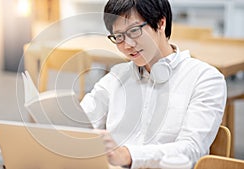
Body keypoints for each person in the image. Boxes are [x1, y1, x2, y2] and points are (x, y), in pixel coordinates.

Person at [80, 0, 227, 168]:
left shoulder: (205, 79)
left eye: (134, 31)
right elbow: (80, 123)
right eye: (119, 36)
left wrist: (128, 155)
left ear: (160, 23)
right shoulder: (116, 77)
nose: (128, 45)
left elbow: (191, 149)